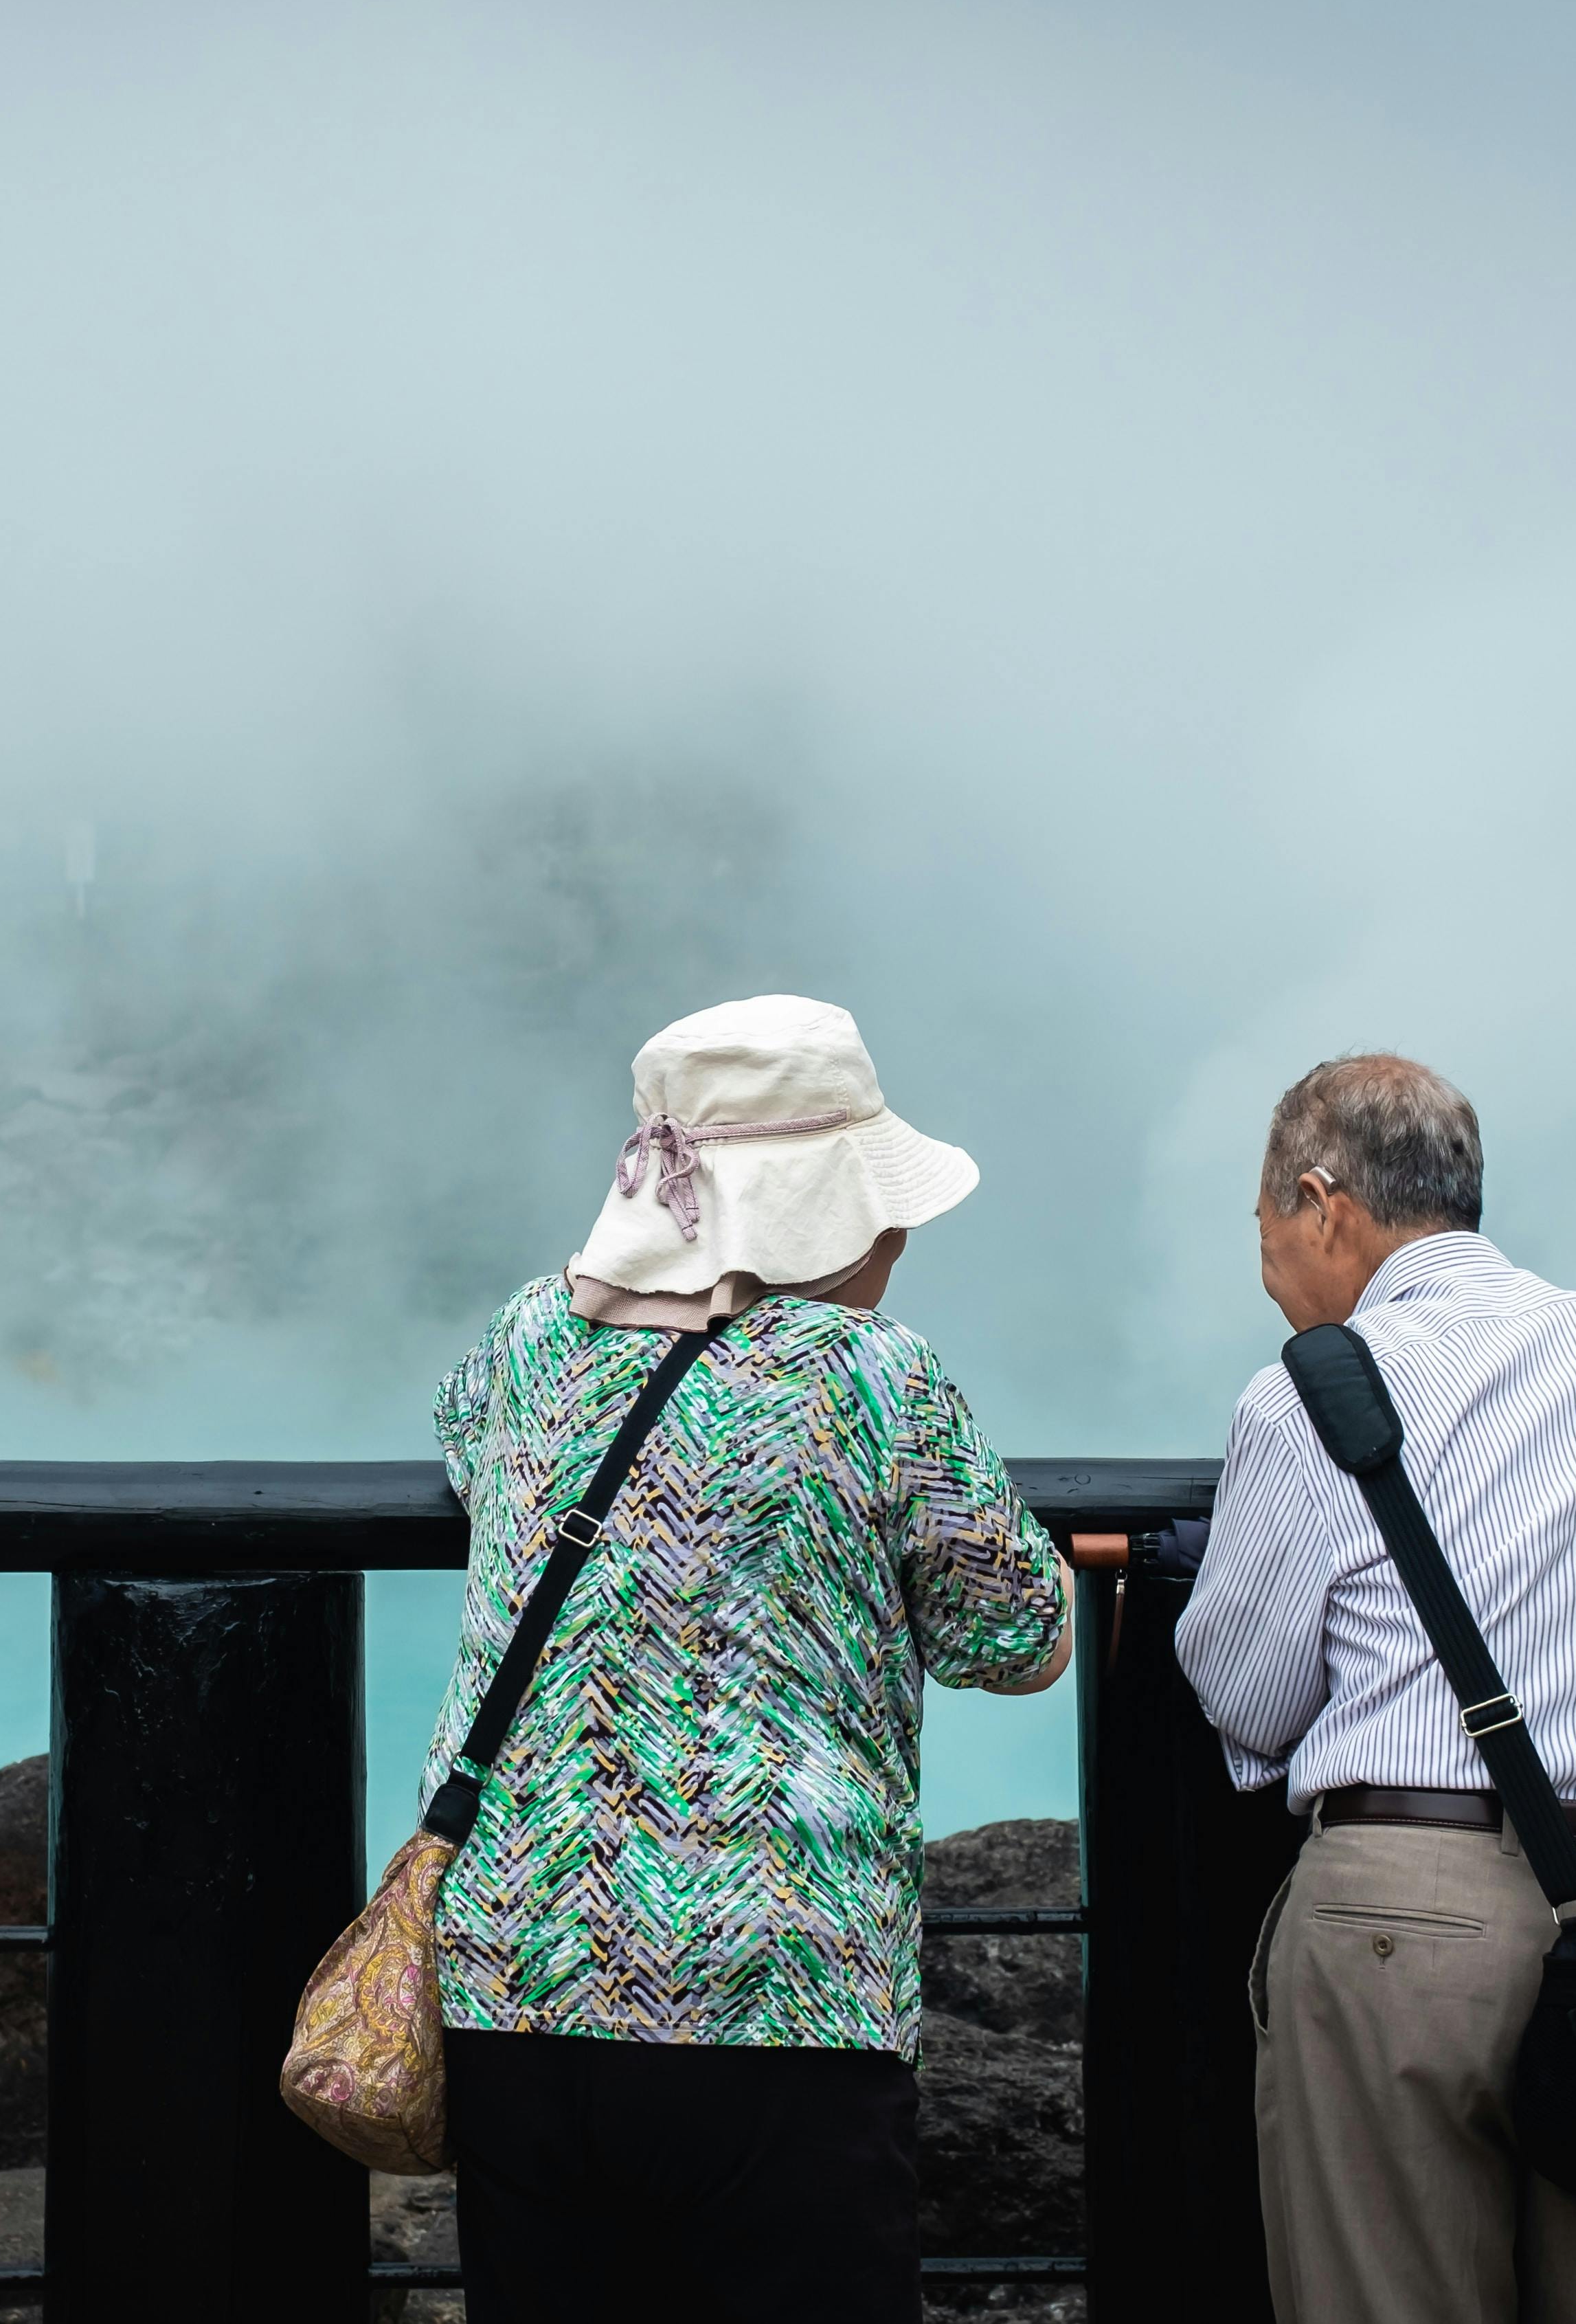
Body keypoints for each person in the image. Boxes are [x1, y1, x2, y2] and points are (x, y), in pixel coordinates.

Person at [425, 992, 1072, 2324]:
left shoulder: (529, 1338)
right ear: (828, 1209)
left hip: (516, 1984)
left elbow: (466, 1453)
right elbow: (1017, 1637)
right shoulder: (874, 1375)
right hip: (773, 1992)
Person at [1175, 1055, 1576, 2324]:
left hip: (1398, 1906)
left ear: (1322, 1203)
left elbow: (1247, 1695)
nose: (1265, 1259)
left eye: (1264, 1223)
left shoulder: (1300, 1399)